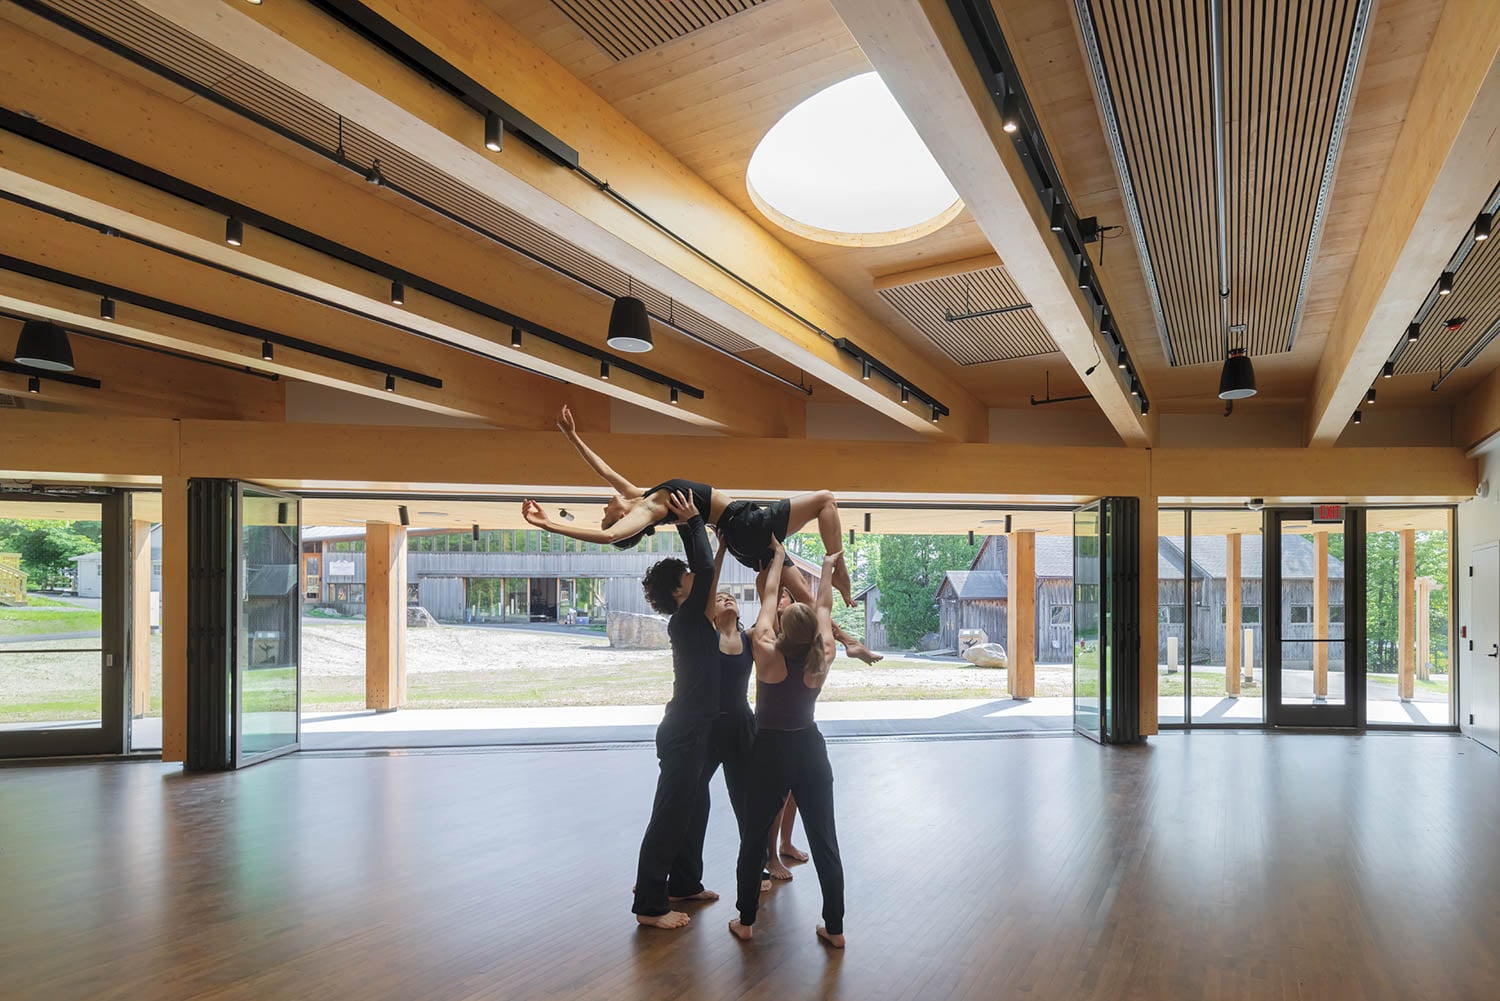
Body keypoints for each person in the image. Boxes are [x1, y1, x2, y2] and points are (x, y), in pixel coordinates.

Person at [521, 405, 855, 606]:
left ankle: (844, 642)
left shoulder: (643, 497)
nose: (603, 513)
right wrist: (547, 524)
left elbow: (604, 470)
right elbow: (608, 538)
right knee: (825, 500)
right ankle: (839, 571)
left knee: (809, 602)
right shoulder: (646, 511)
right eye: (606, 519)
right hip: (743, 524)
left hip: (739, 538)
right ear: (621, 520)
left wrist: (570, 434)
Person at [729, 539, 847, 949]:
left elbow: (766, 600)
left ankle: (745, 922)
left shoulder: (766, 651)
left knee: (752, 837)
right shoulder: (824, 653)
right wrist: (828, 568)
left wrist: (778, 559)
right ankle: (834, 929)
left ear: (782, 629)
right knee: (825, 840)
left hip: (769, 750)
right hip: (810, 750)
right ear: (814, 633)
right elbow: (826, 609)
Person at [631, 490, 723, 930]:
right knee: (670, 815)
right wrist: (691, 525)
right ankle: (650, 904)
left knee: (696, 807)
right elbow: (705, 568)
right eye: (684, 574)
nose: (694, 576)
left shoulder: (695, 617)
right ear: (677, 590)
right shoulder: (684, 620)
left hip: (696, 729)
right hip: (683, 731)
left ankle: (685, 883)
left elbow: (709, 570)